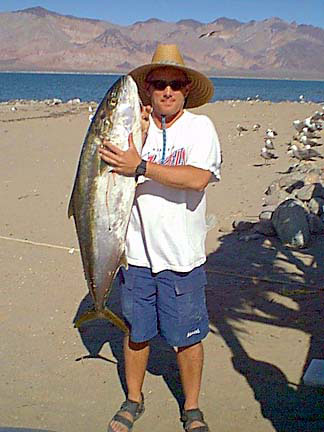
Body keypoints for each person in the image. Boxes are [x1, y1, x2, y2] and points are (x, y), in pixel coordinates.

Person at [99, 44, 221, 432]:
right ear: (147, 91)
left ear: (186, 90)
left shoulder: (201, 128)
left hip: (182, 258)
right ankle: (134, 399)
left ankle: (192, 407)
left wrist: (143, 167)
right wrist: (135, 131)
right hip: (136, 255)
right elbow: (105, 162)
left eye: (175, 84)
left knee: (187, 338)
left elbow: (198, 177)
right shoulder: (135, 128)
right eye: (158, 84)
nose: (167, 91)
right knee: (137, 333)